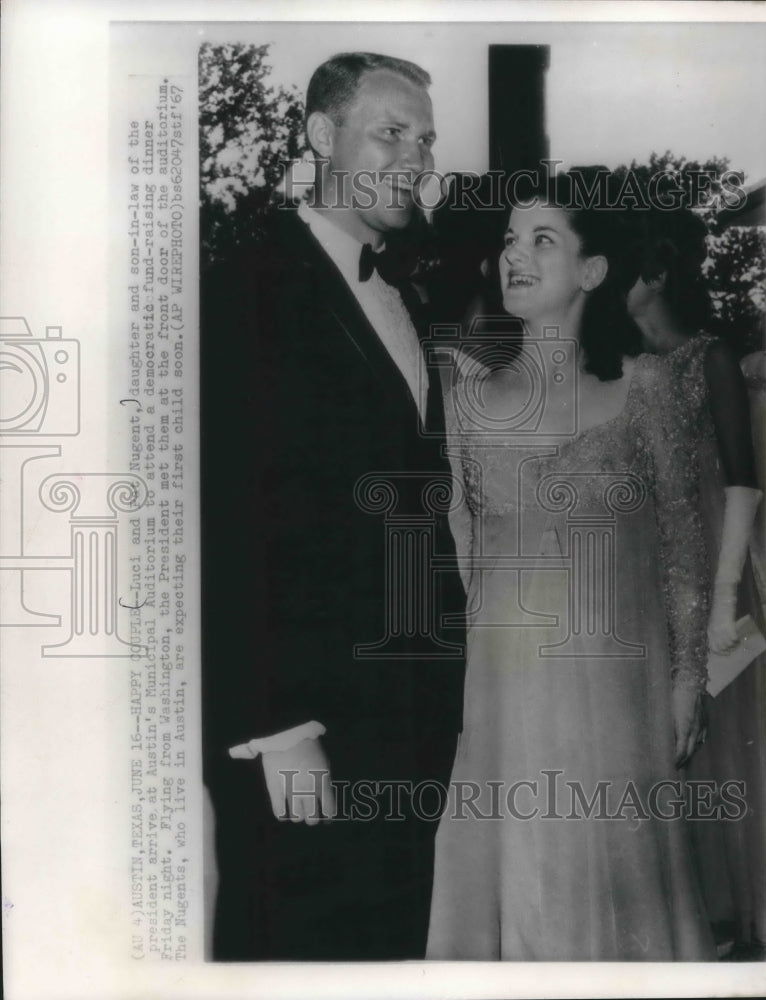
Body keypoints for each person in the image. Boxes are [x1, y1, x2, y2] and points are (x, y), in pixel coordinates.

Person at [200, 52, 466, 961]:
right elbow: (232, 519)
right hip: (308, 722)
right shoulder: (247, 285)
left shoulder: (404, 298)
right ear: (321, 135)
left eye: (425, 140)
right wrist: (277, 727)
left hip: (409, 716)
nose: (415, 158)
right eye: (391, 132)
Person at [426, 170, 717, 961]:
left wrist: (688, 679)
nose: (514, 255)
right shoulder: (462, 397)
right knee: (522, 882)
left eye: (542, 240)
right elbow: (459, 540)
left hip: (621, 699)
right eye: (509, 240)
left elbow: (684, 545)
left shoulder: (647, 390)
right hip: (503, 694)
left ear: (591, 271)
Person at [624, 205, 766, 956]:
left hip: (714, 565)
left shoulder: (711, 356)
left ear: (655, 275)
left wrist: (725, 598)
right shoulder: (618, 364)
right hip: (644, 565)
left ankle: (730, 921)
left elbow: (744, 484)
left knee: (718, 739)